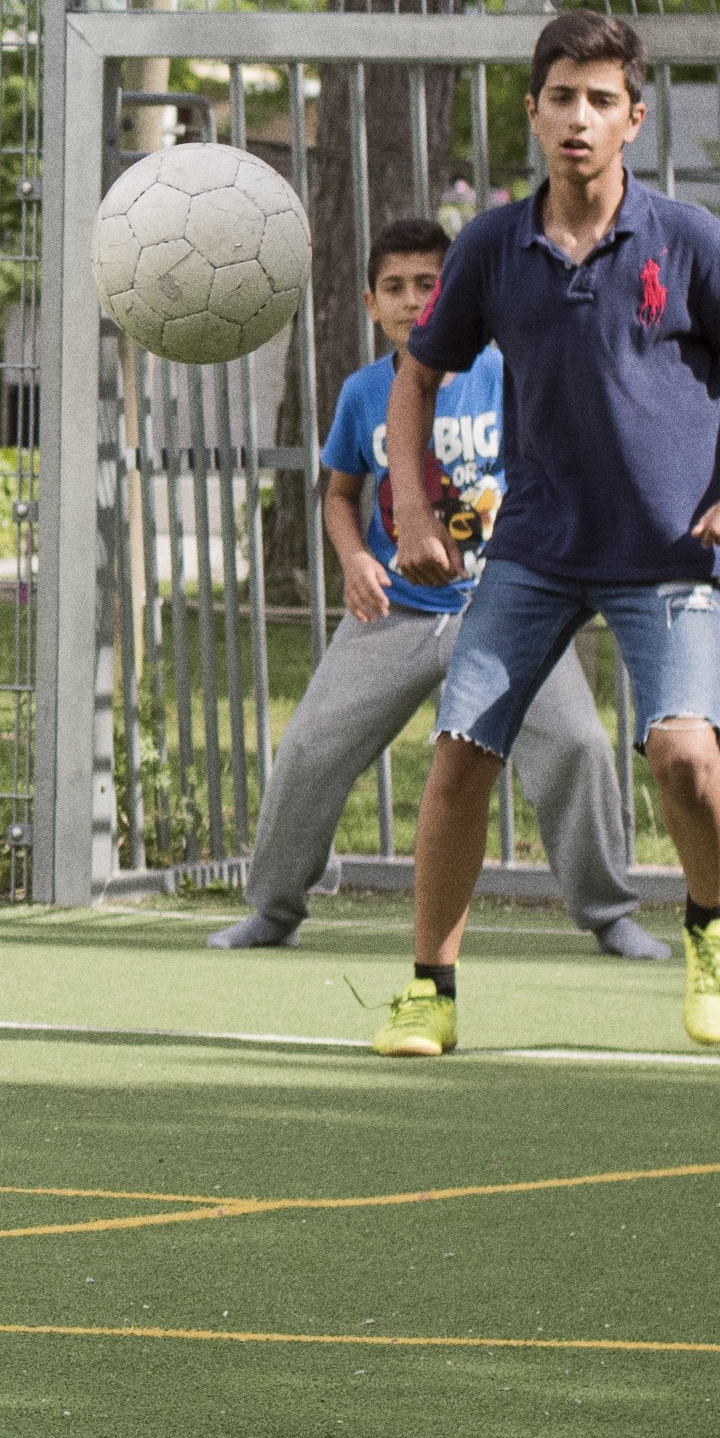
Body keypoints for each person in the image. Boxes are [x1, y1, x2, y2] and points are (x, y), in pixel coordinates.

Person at [386, 7, 720, 1059]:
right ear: (532, 113)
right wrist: (409, 504)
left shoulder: (685, 241)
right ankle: (430, 987)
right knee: (456, 756)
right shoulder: (492, 246)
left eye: (601, 100)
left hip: (666, 555)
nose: (579, 117)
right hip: (532, 551)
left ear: (633, 119)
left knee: (679, 757)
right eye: (561, 96)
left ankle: (713, 918)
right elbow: (416, 374)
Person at [218, 214, 655, 961]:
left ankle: (608, 913)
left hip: (509, 612)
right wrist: (355, 558)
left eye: (429, 284)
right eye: (394, 288)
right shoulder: (364, 394)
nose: (413, 300)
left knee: (580, 744)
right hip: (396, 613)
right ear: (369, 304)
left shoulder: (505, 376)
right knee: (309, 749)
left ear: (455, 294)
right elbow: (337, 496)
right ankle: (275, 908)